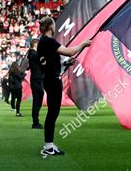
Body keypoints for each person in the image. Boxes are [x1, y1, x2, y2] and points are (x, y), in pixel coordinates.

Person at [37, 16, 91, 156]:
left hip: (49, 79)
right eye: (54, 26)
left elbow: (50, 62)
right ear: (51, 27)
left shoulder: (41, 42)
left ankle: (49, 144)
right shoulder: (49, 41)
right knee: (53, 113)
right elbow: (70, 51)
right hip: (53, 80)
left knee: (52, 113)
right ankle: (48, 145)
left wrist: (65, 63)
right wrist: (83, 44)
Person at [27, 38, 44, 129]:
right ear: (36, 45)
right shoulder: (34, 53)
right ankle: (35, 122)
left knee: (38, 100)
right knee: (37, 101)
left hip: (37, 79)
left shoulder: (32, 54)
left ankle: (36, 121)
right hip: (36, 79)